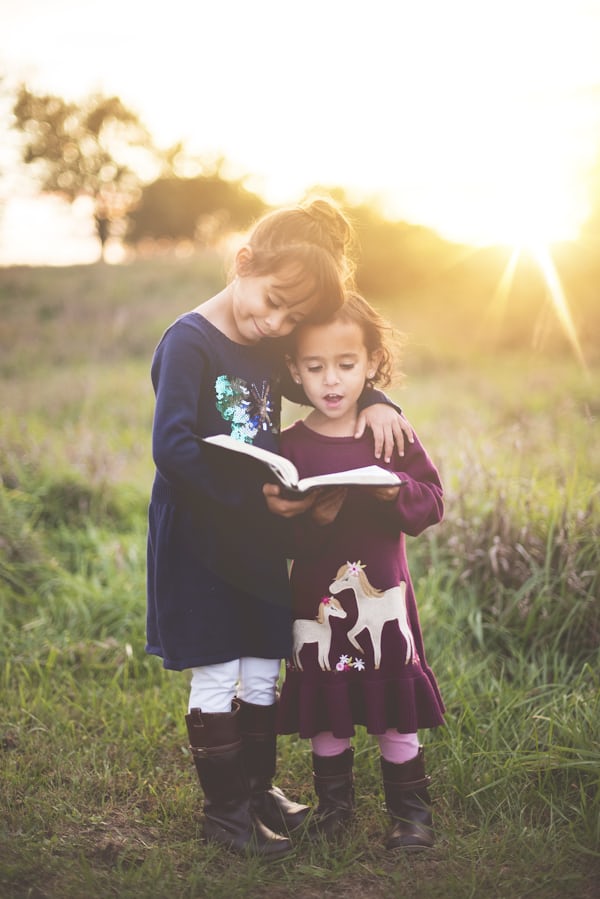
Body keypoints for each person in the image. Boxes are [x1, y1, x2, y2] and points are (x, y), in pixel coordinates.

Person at [145, 198, 413, 859]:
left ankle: (259, 790)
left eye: (292, 318)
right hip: (201, 536)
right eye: (272, 303)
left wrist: (376, 397)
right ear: (243, 263)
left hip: (259, 537)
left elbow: (323, 382)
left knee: (264, 665)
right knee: (217, 670)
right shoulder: (189, 340)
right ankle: (226, 814)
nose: (276, 323)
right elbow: (173, 446)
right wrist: (249, 495)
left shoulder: (267, 344)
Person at [273, 292, 445, 851]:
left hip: (383, 595)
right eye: (315, 367)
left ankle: (410, 814)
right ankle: (334, 810)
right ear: (294, 370)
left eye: (346, 365)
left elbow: (432, 503)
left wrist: (395, 489)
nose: (331, 380)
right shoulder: (289, 448)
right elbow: (278, 536)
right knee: (327, 705)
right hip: (317, 600)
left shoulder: (389, 432)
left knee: (394, 706)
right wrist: (311, 518)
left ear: (371, 364)